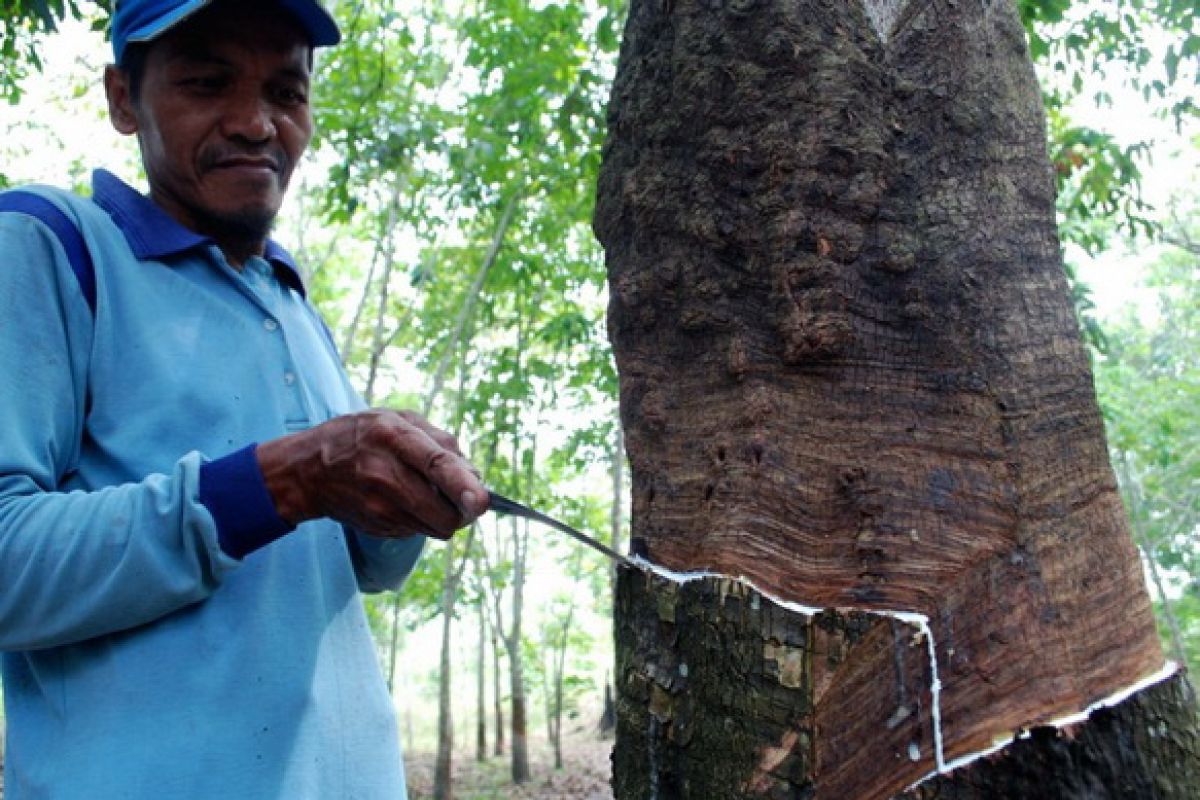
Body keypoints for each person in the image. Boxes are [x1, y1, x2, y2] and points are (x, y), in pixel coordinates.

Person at [0, 1, 490, 796]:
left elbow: (352, 574)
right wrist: (284, 480)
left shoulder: (297, 307)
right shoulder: (51, 247)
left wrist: (405, 502)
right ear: (125, 99)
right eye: (207, 82)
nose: (257, 124)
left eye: (286, 92)